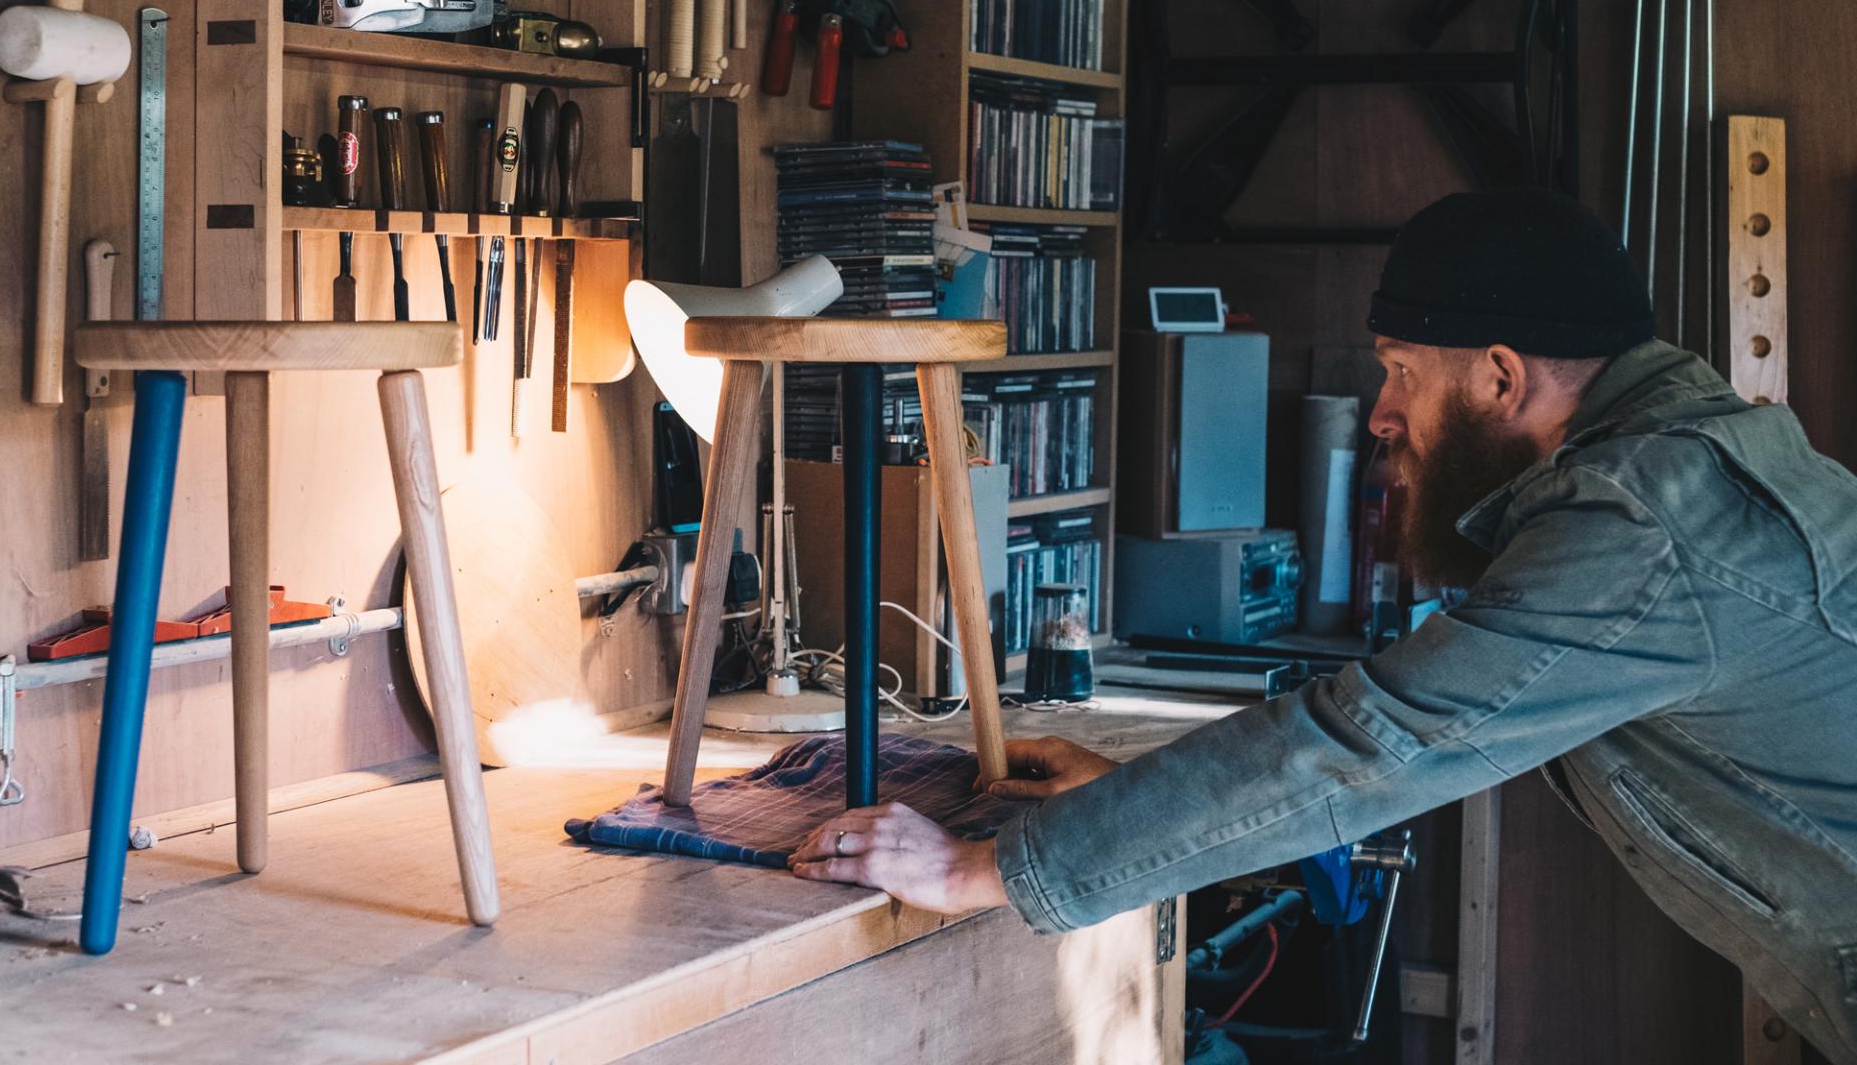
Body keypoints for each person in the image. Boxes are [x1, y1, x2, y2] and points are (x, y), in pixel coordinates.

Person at [787, 189, 1857, 1063]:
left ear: (1499, 374)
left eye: (1401, 369)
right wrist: (1125, 794)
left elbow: (1373, 743)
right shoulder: (1692, 455)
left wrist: (994, 871)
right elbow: (1424, 724)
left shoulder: (1641, 528)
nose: (1382, 411)